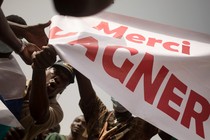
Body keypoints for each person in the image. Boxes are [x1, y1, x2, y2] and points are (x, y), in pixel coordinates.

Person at [4, 46, 75, 140]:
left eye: (64, 79)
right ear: (47, 70)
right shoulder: (17, 81)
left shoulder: (57, 112)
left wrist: (39, 68)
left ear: (62, 89)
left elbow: (39, 114)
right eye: (56, 71)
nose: (58, 79)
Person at [74, 69, 158, 140]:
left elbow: (163, 116)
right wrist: (75, 56)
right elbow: (84, 83)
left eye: (127, 92)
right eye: (118, 89)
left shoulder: (141, 126)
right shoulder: (99, 114)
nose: (121, 95)